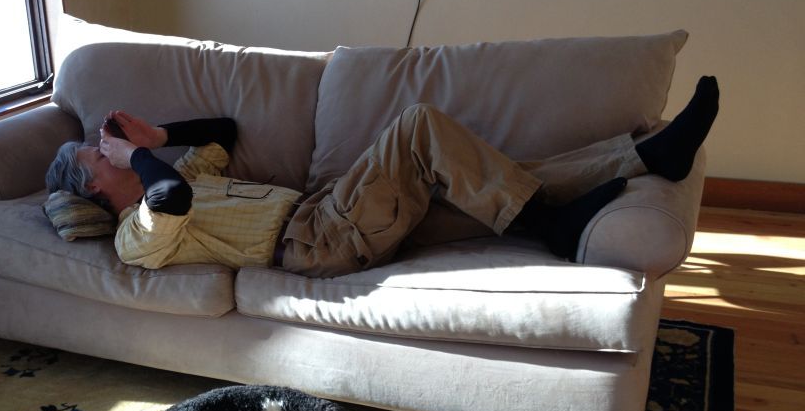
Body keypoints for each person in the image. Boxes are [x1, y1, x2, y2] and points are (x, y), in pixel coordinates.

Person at [46, 77, 719, 278]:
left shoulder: (173, 164)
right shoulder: (136, 233)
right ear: (98, 189)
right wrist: (139, 159)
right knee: (418, 125)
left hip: (331, 215)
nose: (107, 151)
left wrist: (157, 137)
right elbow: (173, 196)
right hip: (318, 240)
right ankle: (555, 225)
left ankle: (643, 161)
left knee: (498, 179)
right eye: (96, 156)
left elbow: (223, 130)